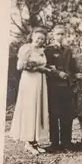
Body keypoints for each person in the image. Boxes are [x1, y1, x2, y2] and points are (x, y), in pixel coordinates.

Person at [8, 27, 50, 155]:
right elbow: (20, 66)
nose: (40, 40)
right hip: (29, 82)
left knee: (39, 109)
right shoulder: (26, 48)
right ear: (32, 36)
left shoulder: (42, 51)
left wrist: (46, 69)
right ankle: (28, 142)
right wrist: (39, 68)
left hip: (40, 81)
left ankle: (35, 141)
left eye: (42, 39)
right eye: (38, 38)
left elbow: (43, 65)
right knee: (31, 109)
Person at [44, 25, 76, 151]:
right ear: (53, 35)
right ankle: (55, 143)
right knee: (54, 115)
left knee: (67, 115)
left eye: (62, 34)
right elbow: (47, 66)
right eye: (58, 34)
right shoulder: (49, 49)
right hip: (54, 86)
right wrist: (58, 74)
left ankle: (67, 142)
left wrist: (72, 81)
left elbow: (72, 67)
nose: (60, 36)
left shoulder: (68, 50)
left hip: (67, 86)